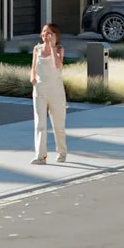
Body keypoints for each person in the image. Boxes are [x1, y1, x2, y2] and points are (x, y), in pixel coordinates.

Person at [29, 21, 69, 164]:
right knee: (40, 124)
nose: (46, 35)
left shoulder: (59, 49)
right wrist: (33, 78)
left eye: (49, 33)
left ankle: (62, 152)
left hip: (56, 91)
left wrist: (52, 47)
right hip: (40, 90)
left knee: (58, 123)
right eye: (44, 32)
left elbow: (58, 66)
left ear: (56, 36)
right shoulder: (37, 49)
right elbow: (33, 67)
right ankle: (41, 155)